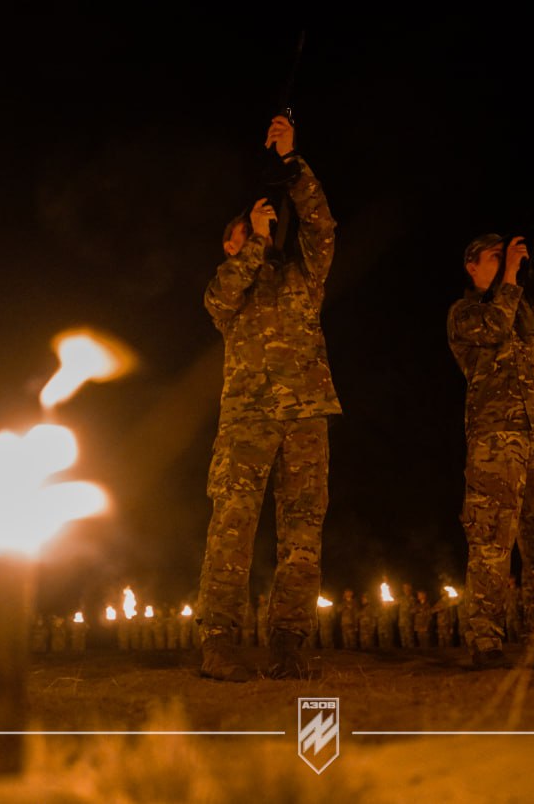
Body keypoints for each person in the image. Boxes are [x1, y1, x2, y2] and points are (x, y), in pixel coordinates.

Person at [195, 115, 340, 681]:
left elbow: (321, 226)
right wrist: (254, 242)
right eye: (248, 230)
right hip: (248, 419)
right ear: (230, 243)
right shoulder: (227, 287)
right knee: (232, 529)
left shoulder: (302, 277)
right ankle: (218, 642)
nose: (263, 232)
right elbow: (221, 296)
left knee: (303, 535)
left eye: (267, 226)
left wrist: (291, 164)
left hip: (306, 414)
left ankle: (289, 644)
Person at [446, 152, 534, 672]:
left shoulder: (525, 301)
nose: (508, 262)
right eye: (495, 256)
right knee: (490, 545)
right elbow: (494, 328)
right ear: (472, 265)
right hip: (495, 439)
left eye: (508, 256)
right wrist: (507, 277)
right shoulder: (465, 313)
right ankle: (486, 643)